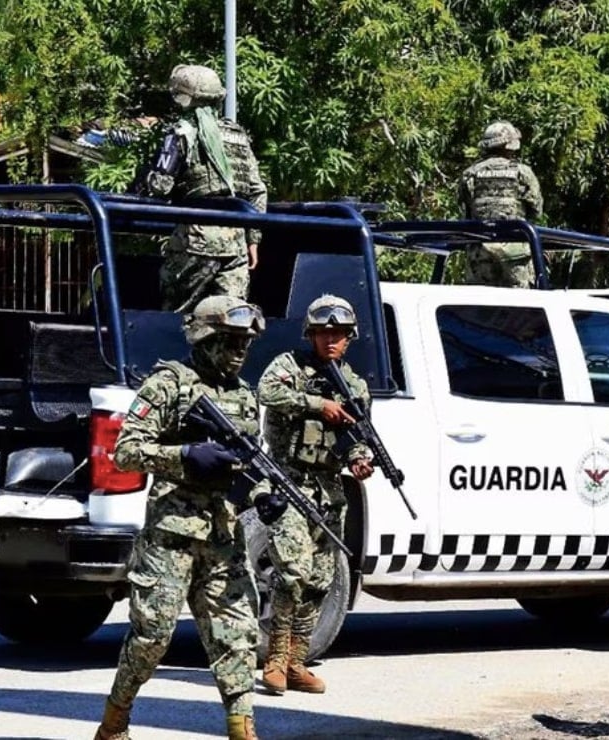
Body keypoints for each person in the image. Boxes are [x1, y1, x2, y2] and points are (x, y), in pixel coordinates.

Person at [94, 296, 270, 740]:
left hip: (222, 537)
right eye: (230, 341)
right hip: (171, 538)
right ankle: (114, 722)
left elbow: (250, 464)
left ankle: (242, 728)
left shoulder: (245, 398)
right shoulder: (168, 385)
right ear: (204, 338)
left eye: (245, 343)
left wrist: (264, 493)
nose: (239, 352)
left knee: (238, 636)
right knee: (152, 637)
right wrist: (186, 455)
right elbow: (127, 451)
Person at [256, 294, 376, 694]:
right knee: (291, 572)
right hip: (289, 481)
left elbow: (357, 436)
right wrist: (316, 403)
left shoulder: (355, 386)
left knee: (320, 581)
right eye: (323, 333)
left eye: (338, 334)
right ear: (310, 334)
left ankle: (296, 661)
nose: (331, 341)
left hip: (327, 491)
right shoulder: (290, 366)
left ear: (349, 338)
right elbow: (266, 392)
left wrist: (360, 459)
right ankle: (274, 659)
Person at [135, 64, 269, 313]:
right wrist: (253, 240)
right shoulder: (238, 134)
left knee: (176, 318)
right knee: (232, 320)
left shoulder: (181, 132)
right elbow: (257, 190)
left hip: (195, 241)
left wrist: (143, 178)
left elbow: (161, 186)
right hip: (236, 242)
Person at [457, 120, 543, 287]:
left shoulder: (469, 174)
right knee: (521, 307)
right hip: (515, 253)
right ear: (509, 146)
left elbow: (465, 212)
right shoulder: (522, 172)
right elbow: (536, 211)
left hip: (480, 254)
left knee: (478, 306)